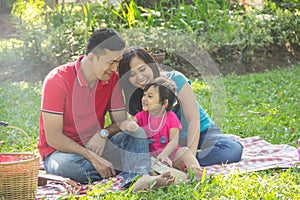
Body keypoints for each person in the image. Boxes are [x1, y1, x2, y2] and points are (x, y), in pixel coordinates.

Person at [37, 28, 174, 191]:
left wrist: (103, 134)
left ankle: (139, 179)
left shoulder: (112, 79)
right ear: (92, 58)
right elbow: (54, 138)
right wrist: (91, 156)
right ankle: (133, 168)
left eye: (118, 61)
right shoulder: (57, 80)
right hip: (61, 152)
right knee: (70, 166)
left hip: (98, 145)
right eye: (111, 62)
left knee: (136, 132)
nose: (115, 68)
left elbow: (121, 122)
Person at [118, 46, 243, 166]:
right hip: (169, 143)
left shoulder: (175, 79)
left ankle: (181, 161)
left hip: (202, 133)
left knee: (231, 149)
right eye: (131, 74)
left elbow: (193, 119)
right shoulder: (137, 98)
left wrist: (191, 156)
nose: (139, 77)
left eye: (142, 69)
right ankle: (174, 160)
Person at [120, 77, 202, 179]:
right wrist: (130, 125)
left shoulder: (171, 117)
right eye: (144, 95)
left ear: (164, 103)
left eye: (150, 96)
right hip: (152, 158)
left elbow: (174, 141)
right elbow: (128, 123)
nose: (144, 99)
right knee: (146, 163)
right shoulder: (142, 115)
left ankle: (196, 170)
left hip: (170, 154)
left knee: (184, 151)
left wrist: (164, 154)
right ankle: (162, 177)